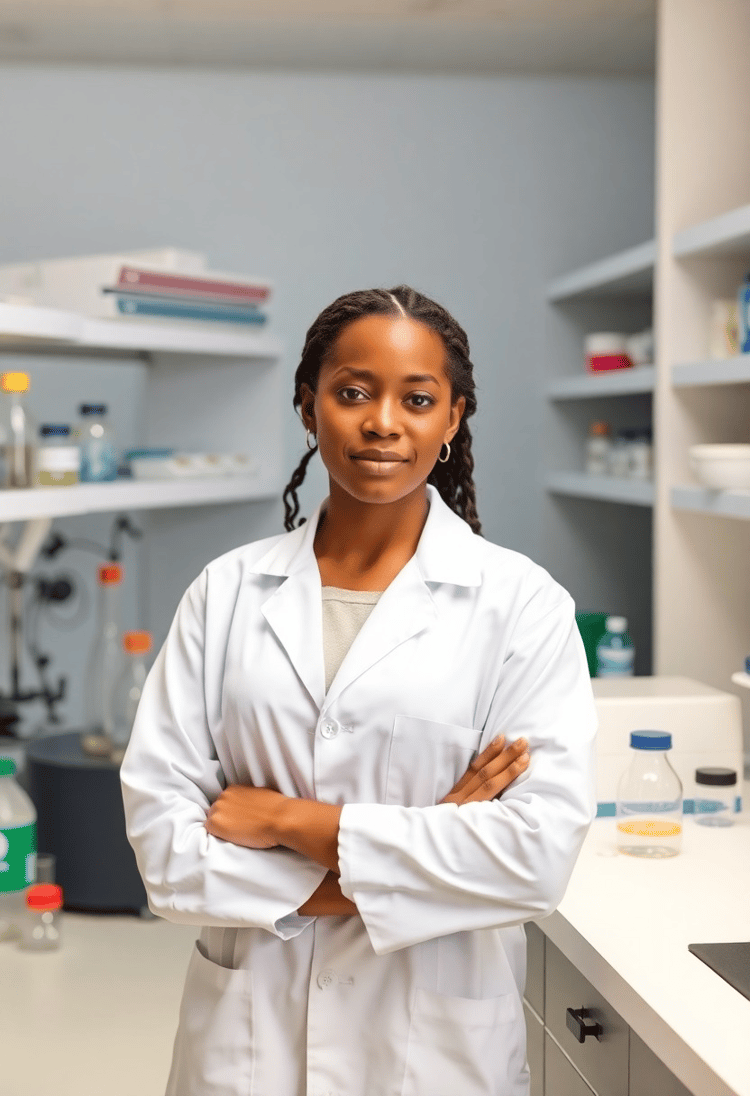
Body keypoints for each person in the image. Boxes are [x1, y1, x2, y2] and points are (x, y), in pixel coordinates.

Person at [120, 284, 597, 1096]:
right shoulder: (227, 592)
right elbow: (167, 856)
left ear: (452, 420)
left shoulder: (522, 605)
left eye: (417, 399)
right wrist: (433, 844)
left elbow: (535, 859)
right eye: (352, 393)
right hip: (247, 1047)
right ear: (308, 408)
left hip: (434, 1055)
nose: (383, 422)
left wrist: (288, 820)